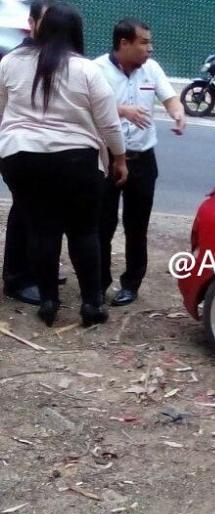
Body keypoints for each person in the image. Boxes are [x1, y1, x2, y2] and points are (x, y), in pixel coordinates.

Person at [0, 1, 127, 326]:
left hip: (21, 158)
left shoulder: (11, 62)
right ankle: (91, 304)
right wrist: (119, 158)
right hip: (76, 161)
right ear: (76, 32)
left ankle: (48, 302)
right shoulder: (86, 70)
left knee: (43, 230)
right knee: (84, 231)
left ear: (40, 28)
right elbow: (109, 123)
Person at [94, 18, 186, 307]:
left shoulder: (152, 69)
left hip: (144, 160)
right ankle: (99, 284)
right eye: (144, 42)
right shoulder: (96, 71)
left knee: (137, 227)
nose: (150, 48)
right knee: (102, 226)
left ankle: (131, 284)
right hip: (107, 159)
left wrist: (177, 111)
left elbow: (170, 97)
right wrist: (122, 111)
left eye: (149, 42)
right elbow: (87, 108)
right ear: (124, 44)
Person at [1, 0, 51, 305]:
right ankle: (17, 278)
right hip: (18, 148)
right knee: (26, 209)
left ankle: (35, 268)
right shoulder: (15, 58)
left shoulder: (50, 57)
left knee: (38, 211)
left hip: (41, 149)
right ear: (30, 24)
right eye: (45, 20)